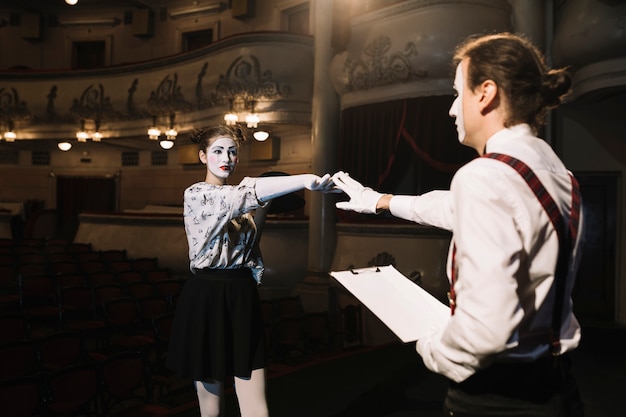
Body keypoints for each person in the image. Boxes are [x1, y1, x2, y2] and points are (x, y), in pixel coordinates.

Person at [332, 32, 585, 416]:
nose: (452, 110)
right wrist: (377, 201)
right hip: (558, 386)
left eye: (456, 93)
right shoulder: (555, 171)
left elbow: (486, 331)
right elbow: (450, 208)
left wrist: (433, 346)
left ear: (485, 93)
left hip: (498, 396)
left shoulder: (484, 176)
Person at [167, 124, 334, 417]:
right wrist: (306, 178)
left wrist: (263, 211)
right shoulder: (197, 194)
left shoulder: (242, 204)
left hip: (240, 294)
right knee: (211, 408)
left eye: (232, 152)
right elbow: (245, 192)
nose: (226, 158)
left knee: (256, 404)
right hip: (208, 295)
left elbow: (247, 251)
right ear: (202, 156)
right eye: (217, 151)